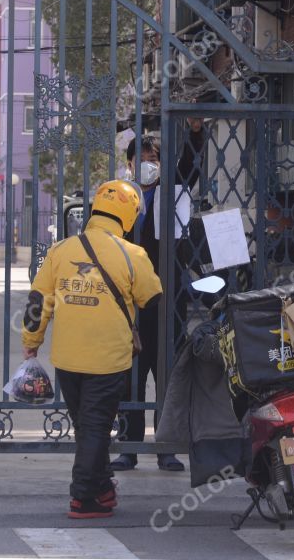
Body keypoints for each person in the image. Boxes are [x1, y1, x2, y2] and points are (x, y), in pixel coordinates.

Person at [21, 180, 162, 519]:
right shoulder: (133, 255)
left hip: (67, 358)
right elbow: (153, 298)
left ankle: (101, 487)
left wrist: (31, 343)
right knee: (96, 426)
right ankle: (82, 497)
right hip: (108, 359)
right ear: (128, 216)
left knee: (87, 427)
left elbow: (38, 302)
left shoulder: (60, 250)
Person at [111, 117, 204, 472]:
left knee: (166, 373)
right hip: (130, 299)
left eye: (154, 157)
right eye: (143, 157)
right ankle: (129, 446)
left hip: (168, 297)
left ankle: (166, 446)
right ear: (131, 163)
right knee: (131, 375)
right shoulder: (121, 198)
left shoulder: (173, 189)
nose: (148, 163)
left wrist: (195, 133)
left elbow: (189, 163)